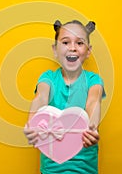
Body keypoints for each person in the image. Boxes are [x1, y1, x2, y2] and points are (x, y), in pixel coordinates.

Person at [24, 20, 106, 174]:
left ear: (88, 51)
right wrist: (32, 122)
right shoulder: (48, 78)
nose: (72, 48)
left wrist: (92, 128)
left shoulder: (94, 80)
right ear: (55, 50)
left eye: (80, 43)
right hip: (51, 170)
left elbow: (93, 102)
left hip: (84, 170)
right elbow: (40, 98)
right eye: (66, 42)